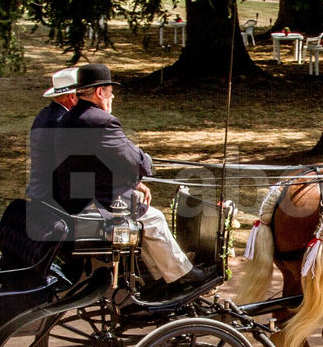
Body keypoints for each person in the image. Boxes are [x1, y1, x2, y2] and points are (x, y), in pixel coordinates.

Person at [50, 63, 213, 299]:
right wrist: (143, 163)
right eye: (110, 91)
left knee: (143, 209)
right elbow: (134, 161)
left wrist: (132, 182)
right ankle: (180, 275)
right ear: (99, 93)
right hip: (94, 205)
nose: (112, 96)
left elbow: (95, 163)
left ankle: (161, 276)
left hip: (73, 200)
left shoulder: (69, 119)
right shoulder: (101, 122)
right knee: (153, 219)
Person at [26, 68, 77, 203]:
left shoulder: (46, 114)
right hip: (54, 199)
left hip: (42, 193)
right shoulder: (63, 122)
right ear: (72, 97)